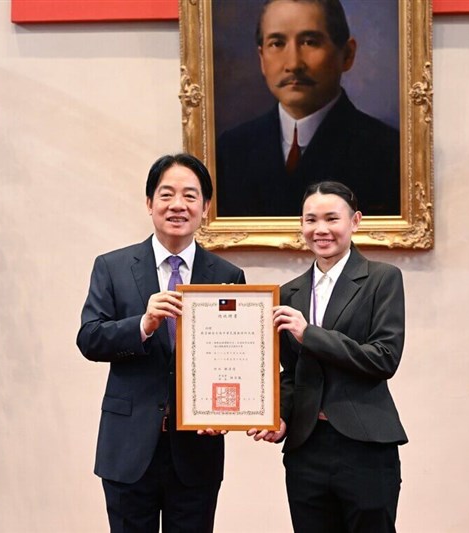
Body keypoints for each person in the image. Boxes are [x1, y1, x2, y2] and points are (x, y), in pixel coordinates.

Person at [77, 153, 246, 533]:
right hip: (128, 447)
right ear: (150, 203)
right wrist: (142, 324)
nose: (177, 205)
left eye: (190, 195)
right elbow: (89, 338)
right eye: (166, 194)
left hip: (196, 452)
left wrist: (228, 412)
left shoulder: (226, 275)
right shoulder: (113, 266)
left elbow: (234, 360)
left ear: (205, 207)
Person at [248, 181, 407, 532]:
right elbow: (292, 372)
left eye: (331, 219)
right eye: (310, 220)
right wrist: (280, 414)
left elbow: (384, 358)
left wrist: (311, 334)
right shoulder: (290, 293)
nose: (320, 230)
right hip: (306, 448)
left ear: (355, 221)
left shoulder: (382, 279)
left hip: (365, 445)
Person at [215, 0, 400, 217]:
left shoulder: (388, 152)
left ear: (347, 55)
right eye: (277, 43)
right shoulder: (230, 151)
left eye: (310, 42)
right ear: (261, 59)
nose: (293, 64)